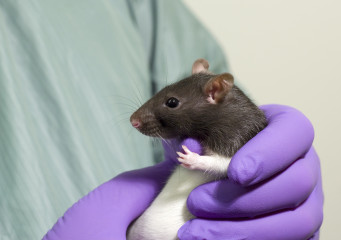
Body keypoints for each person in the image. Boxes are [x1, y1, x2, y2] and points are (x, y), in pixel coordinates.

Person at [0, 1, 323, 239]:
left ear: (215, 91)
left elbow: (237, 161)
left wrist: (275, 191)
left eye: (168, 103)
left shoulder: (143, 11)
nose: (137, 119)